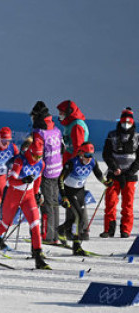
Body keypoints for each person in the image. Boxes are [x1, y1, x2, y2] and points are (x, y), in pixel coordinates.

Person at [0, 138, 50, 270]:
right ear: (30, 152)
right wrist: (23, 180)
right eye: (35, 156)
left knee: (35, 224)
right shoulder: (20, 161)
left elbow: (38, 178)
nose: (37, 159)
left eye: (40, 156)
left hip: (28, 195)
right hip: (13, 195)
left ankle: (38, 257)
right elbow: (10, 180)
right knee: (5, 224)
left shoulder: (41, 164)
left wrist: (37, 193)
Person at [59, 142, 108, 254]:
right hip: (69, 191)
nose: (89, 158)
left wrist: (105, 182)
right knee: (79, 217)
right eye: (87, 155)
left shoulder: (93, 163)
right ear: (80, 153)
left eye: (91, 155)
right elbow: (60, 179)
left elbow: (99, 174)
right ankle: (76, 246)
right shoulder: (72, 163)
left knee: (77, 217)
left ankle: (61, 230)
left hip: (80, 190)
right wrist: (64, 196)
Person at [101, 107, 139, 238]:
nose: (126, 124)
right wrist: (114, 167)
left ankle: (126, 230)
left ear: (133, 122)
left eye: (128, 122)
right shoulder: (112, 135)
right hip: (114, 174)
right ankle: (109, 230)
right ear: (120, 121)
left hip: (130, 176)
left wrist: (131, 171)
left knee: (127, 204)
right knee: (110, 203)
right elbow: (106, 154)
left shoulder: (137, 137)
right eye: (124, 122)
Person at [29, 101, 63, 244]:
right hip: (57, 169)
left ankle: (48, 236)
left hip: (46, 171)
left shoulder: (39, 132)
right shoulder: (55, 129)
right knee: (54, 203)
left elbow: (37, 154)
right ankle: (54, 234)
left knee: (46, 204)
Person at [57, 100, 89, 239]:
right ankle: (72, 228)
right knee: (71, 199)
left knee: (76, 200)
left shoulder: (76, 126)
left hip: (74, 167)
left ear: (69, 112)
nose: (60, 115)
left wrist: (74, 167)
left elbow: (78, 148)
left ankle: (80, 230)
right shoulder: (71, 124)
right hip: (70, 165)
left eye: (62, 113)